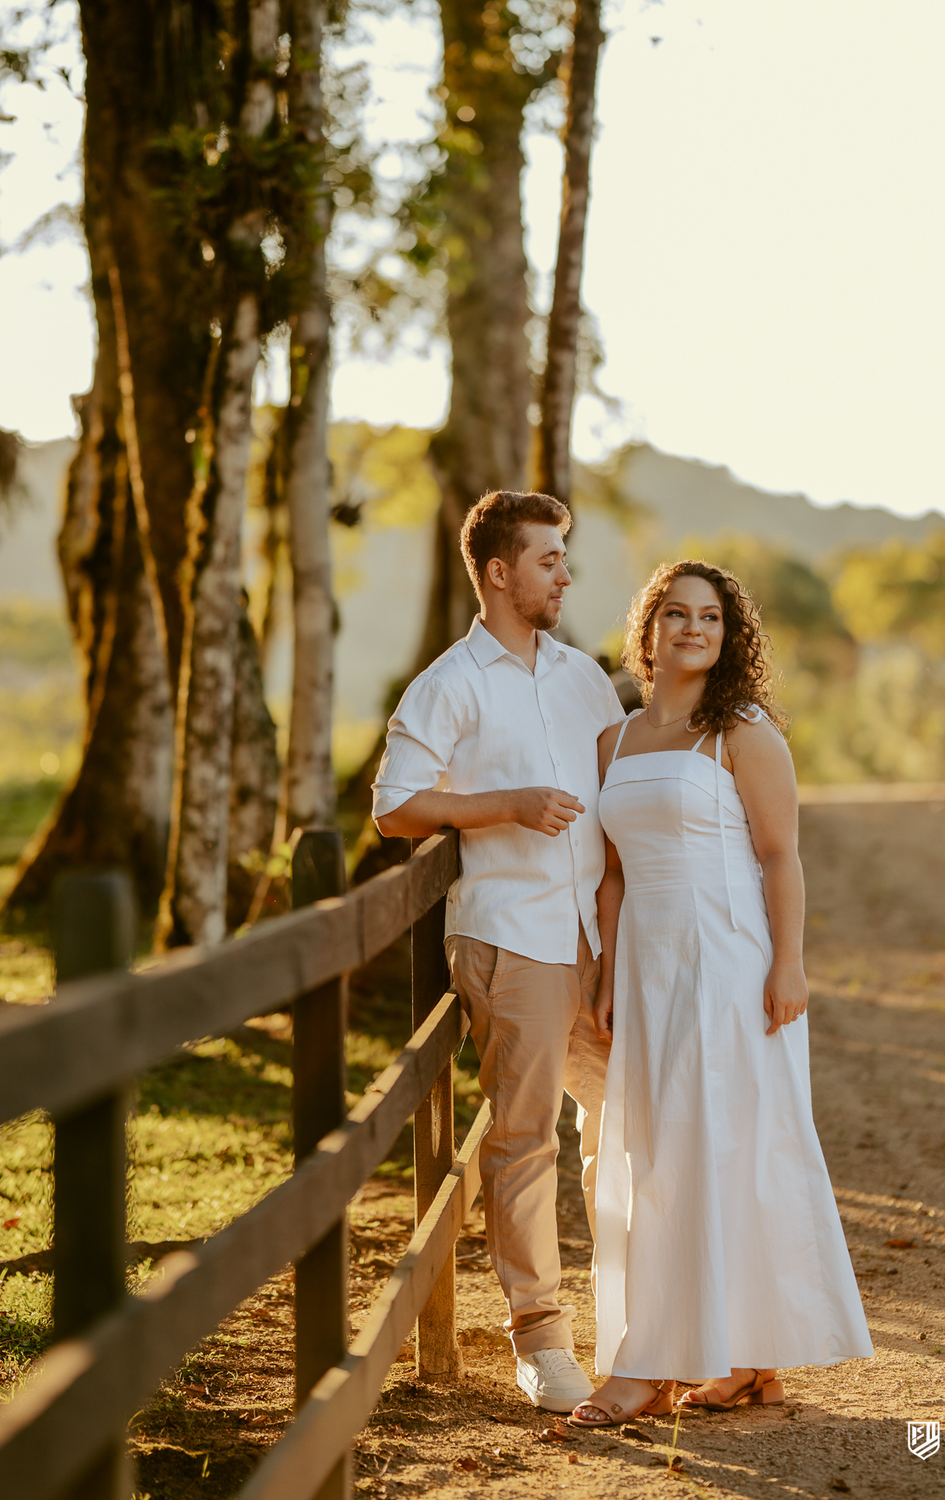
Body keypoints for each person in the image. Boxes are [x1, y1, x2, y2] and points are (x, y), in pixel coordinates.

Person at [568, 560, 873, 1428]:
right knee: (662, 1152)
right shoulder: (615, 742)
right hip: (648, 963)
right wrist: (606, 973)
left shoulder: (740, 732)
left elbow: (780, 857)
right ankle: (746, 1363)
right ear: (648, 629)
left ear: (728, 636)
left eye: (710, 617)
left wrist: (788, 965)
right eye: (676, 613)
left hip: (730, 958)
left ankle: (650, 1366)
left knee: (730, 1148)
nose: (693, 628)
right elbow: (613, 874)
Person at [373, 490, 625, 1412]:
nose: (565, 574)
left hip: (595, 937)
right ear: (498, 572)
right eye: (548, 559)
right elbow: (395, 806)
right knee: (523, 1141)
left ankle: (639, 1318)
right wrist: (505, 806)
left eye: (564, 557)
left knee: (632, 1122)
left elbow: (621, 796)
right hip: (511, 936)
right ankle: (541, 1340)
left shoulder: (584, 677)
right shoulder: (448, 684)